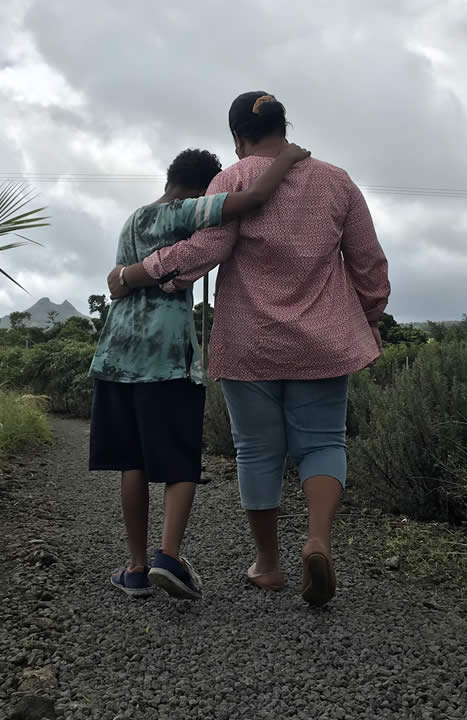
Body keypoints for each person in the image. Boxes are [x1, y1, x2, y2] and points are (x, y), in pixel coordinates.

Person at [108, 92, 390, 607]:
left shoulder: (232, 180)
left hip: (249, 341)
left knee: (257, 450)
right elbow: (369, 262)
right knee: (324, 442)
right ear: (285, 126)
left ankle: (268, 564)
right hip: (324, 341)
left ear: (238, 138)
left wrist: (142, 274)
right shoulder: (337, 180)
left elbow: (207, 250)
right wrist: (368, 319)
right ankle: (318, 540)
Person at [91, 143, 311, 600]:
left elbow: (119, 280)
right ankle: (167, 558)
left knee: (131, 462)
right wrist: (286, 161)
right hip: (165, 358)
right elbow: (250, 201)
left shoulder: (133, 218)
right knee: (179, 461)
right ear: (200, 189)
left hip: (116, 355)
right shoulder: (182, 213)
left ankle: (134, 569)